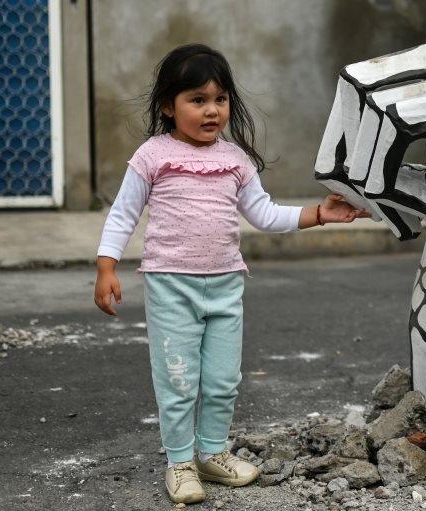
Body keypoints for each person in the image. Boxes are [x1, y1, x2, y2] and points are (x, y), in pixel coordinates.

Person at [93, 43, 369, 505]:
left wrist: (320, 213)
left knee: (222, 381)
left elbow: (264, 214)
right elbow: (123, 214)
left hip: (225, 286)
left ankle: (211, 453)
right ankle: (179, 462)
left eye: (219, 100)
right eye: (196, 100)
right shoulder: (153, 155)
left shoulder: (236, 159)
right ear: (167, 106)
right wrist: (106, 267)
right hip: (171, 285)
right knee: (178, 379)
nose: (211, 111)